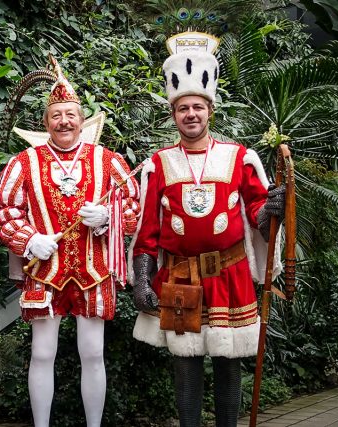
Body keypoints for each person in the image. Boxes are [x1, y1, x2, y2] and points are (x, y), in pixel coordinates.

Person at [129, 32, 285, 427]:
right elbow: (148, 231)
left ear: (209, 110)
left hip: (229, 275)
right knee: (186, 368)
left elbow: (256, 214)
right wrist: (142, 278)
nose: (191, 115)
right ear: (174, 115)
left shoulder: (238, 158)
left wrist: (272, 208)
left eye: (198, 107)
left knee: (229, 366)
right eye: (183, 109)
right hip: (180, 277)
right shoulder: (158, 164)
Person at [0, 58, 140, 427]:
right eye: (56, 114)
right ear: (46, 122)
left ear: (82, 119)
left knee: (93, 354)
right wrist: (29, 240)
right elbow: (4, 210)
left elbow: (135, 208)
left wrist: (109, 218)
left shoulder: (108, 161)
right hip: (44, 271)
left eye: (71, 114)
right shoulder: (23, 162)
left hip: (94, 271)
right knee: (42, 354)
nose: (64, 121)